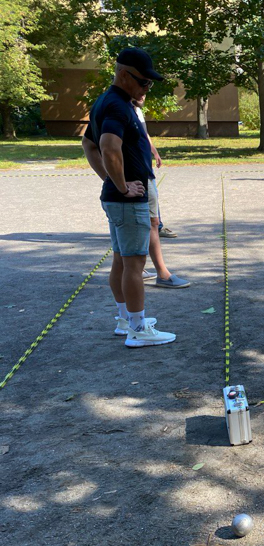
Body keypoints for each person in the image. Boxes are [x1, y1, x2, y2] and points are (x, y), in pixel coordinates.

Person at [81, 47, 176, 348]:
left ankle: (126, 320)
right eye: (143, 82)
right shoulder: (118, 106)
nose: (147, 87)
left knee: (122, 260)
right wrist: (120, 185)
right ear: (124, 75)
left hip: (120, 197)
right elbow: (107, 148)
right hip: (126, 199)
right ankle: (137, 329)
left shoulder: (108, 102)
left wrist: (110, 181)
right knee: (134, 263)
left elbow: (87, 144)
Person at [132, 97, 190, 288]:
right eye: (141, 84)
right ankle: (160, 274)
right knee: (148, 222)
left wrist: (154, 152)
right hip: (135, 177)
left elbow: (143, 135)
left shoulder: (136, 110)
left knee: (151, 222)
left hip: (144, 173)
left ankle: (140, 269)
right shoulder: (119, 108)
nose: (144, 92)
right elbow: (97, 146)